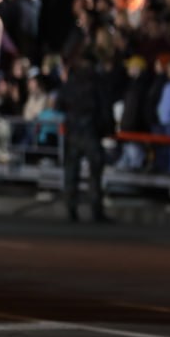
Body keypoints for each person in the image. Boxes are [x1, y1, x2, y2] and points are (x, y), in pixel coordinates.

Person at [55, 44, 115, 222]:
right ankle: (96, 210)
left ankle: (71, 208)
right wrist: (108, 129)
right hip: (90, 130)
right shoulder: (97, 80)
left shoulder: (72, 81)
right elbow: (105, 107)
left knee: (71, 171)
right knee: (95, 172)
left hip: (73, 129)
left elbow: (60, 104)